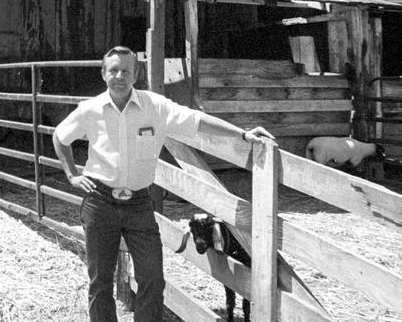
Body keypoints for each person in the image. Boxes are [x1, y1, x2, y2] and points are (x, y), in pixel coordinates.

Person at [53, 46, 273, 322]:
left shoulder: (154, 106)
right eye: (113, 70)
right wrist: (72, 175)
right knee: (100, 281)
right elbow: (60, 137)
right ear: (103, 73)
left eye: (126, 71)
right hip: (100, 202)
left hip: (139, 205)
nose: (119, 76)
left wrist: (242, 134)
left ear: (135, 74)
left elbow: (197, 121)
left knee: (153, 279)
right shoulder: (90, 109)